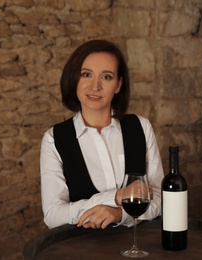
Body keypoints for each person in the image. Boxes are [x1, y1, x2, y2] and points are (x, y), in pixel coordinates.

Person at [40, 39, 164, 229]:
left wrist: (119, 213)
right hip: (84, 250)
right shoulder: (54, 139)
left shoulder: (141, 127)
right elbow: (53, 215)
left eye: (106, 77)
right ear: (74, 79)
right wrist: (117, 196)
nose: (95, 86)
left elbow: (161, 200)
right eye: (86, 74)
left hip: (138, 247)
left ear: (118, 85)